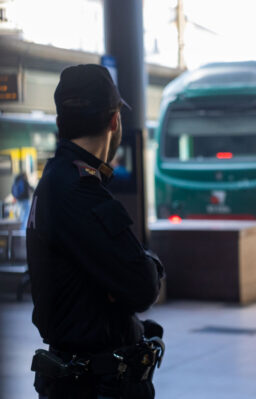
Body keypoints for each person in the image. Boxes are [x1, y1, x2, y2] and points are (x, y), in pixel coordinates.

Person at [26, 64, 165, 399]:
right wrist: (150, 266)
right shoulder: (79, 191)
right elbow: (144, 285)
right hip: (96, 387)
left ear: (61, 123)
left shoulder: (55, 181)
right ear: (114, 122)